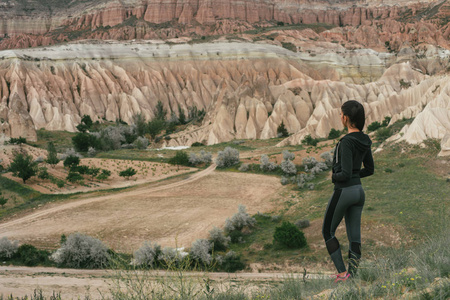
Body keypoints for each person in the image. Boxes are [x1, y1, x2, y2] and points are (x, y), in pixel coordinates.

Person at [322, 100, 374, 283]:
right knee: (354, 236)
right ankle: (353, 276)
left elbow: (343, 174)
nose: (340, 117)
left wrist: (333, 176)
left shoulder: (345, 142)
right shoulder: (365, 140)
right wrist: (354, 176)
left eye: (340, 114)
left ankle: (342, 273)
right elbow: (369, 169)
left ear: (345, 118)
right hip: (359, 192)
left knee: (327, 231)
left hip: (344, 191)